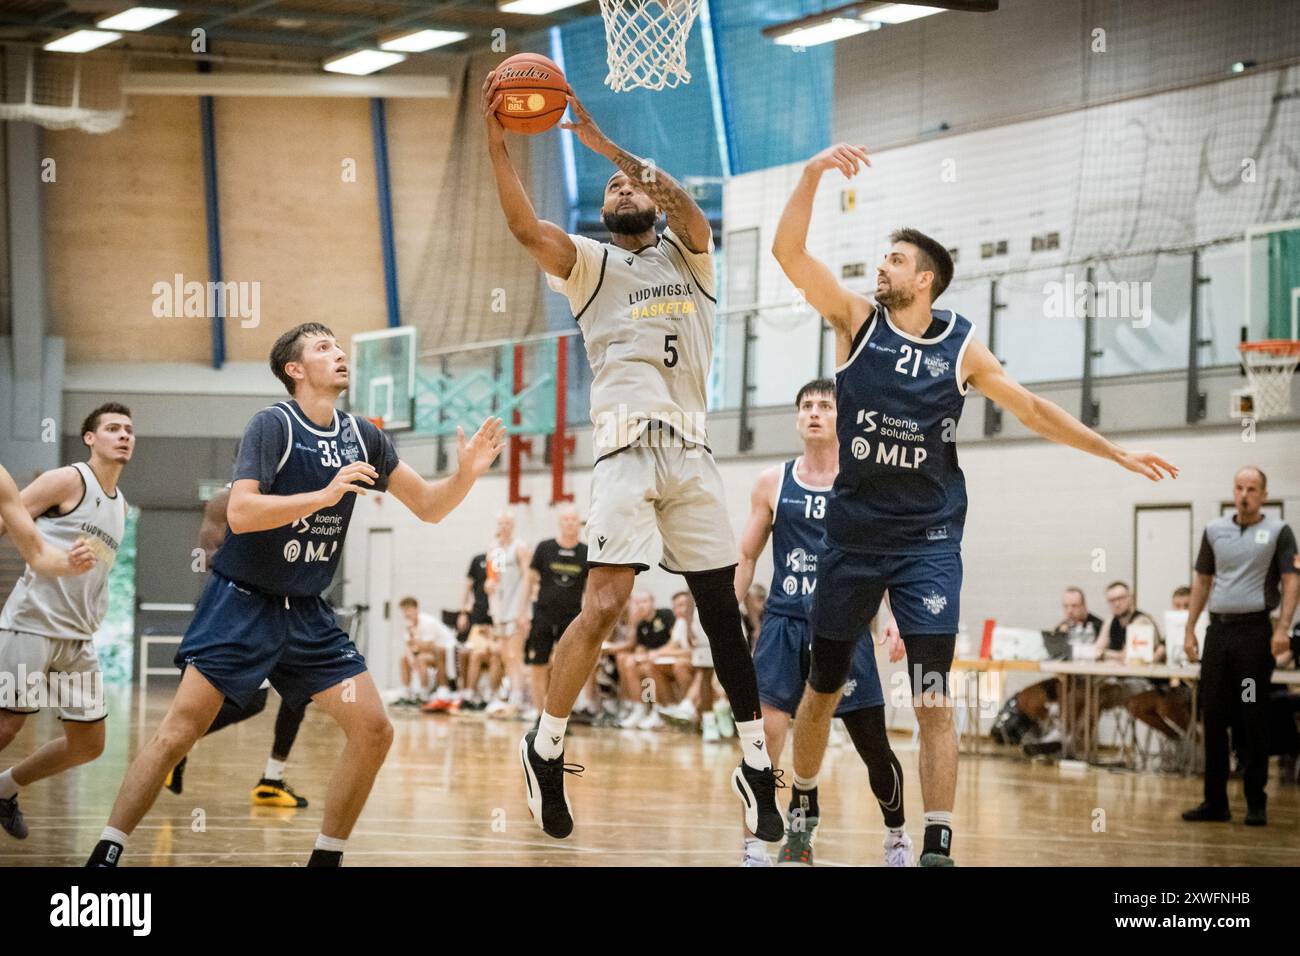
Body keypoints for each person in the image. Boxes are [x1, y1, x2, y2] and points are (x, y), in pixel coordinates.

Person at [772, 142, 1178, 865]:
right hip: (853, 540)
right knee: (823, 687)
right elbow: (788, 253)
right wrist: (809, 176)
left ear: (924, 280)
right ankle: (802, 795)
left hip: (927, 544)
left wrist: (1112, 450)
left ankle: (937, 844)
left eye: (894, 260)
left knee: (931, 693)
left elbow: (1031, 409)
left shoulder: (961, 347)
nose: (881, 268)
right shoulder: (854, 321)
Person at [484, 73, 782, 842]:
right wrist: (497, 141)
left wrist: (600, 142)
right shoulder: (589, 264)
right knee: (606, 603)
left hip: (692, 453)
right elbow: (524, 229)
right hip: (625, 451)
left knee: (724, 615)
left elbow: (683, 201)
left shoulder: (693, 257)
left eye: (630, 182)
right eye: (610, 187)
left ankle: (755, 768)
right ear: (604, 214)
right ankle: (545, 748)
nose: (621, 188)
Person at [85, 323, 505, 867]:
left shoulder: (364, 436)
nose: (339, 354)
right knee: (178, 734)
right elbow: (241, 512)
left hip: (306, 613)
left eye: (337, 345)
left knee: (374, 730)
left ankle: (325, 860)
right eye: (323, 347)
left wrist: (466, 476)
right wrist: (325, 494)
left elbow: (429, 507)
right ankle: (107, 853)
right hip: (242, 602)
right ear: (295, 369)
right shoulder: (273, 425)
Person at [734, 379, 913, 868]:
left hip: (845, 628)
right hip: (784, 623)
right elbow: (746, 556)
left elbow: (888, 556)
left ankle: (897, 837)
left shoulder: (862, 483)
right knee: (766, 736)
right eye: (807, 406)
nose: (815, 413)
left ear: (842, 418)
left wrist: (895, 619)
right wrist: (726, 618)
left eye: (825, 406)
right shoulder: (772, 482)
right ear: (797, 420)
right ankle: (754, 845)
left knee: (873, 747)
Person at [0, 404, 133, 840]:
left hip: (78, 638)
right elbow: (9, 519)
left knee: (88, 744)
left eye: (129, 430)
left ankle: (4, 789)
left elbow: (96, 573)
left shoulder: (121, 506)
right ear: (90, 439)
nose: (124, 435)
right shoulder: (68, 479)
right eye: (112, 428)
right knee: (6, 725)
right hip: (33, 623)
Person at [162, 486, 313, 808]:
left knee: (300, 690)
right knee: (249, 702)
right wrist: (260, 555)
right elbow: (204, 558)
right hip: (238, 610)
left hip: (285, 606)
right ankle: (173, 746)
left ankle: (272, 780)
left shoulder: (296, 491)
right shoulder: (224, 501)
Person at [1182, 466, 1298, 826]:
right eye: (1239, 487)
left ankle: (1255, 801)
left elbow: (1291, 581)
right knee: (1213, 716)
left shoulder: (1278, 531)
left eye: (1252, 488)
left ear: (1263, 494)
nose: (1244, 494)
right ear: (1232, 492)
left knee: (1251, 713)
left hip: (1253, 635)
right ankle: (1214, 801)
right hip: (1219, 635)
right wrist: (1190, 629)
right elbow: (1202, 581)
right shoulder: (1215, 531)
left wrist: (1282, 628)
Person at [519, 506, 588, 723]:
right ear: (560, 522)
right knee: (538, 664)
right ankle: (540, 714)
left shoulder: (587, 552)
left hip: (573, 618)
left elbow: (590, 588)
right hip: (543, 614)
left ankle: (559, 717)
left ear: (579, 524)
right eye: (566, 519)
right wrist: (521, 612)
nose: (570, 523)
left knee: (567, 666)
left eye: (574, 519)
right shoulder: (544, 548)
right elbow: (529, 581)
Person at [484, 511, 530, 719]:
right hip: (499, 608)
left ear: (513, 526)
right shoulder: (494, 549)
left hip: (516, 608)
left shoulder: (519, 548)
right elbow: (494, 576)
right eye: (501, 523)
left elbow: (529, 578)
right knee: (504, 655)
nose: (504, 527)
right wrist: (489, 584)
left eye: (508, 523)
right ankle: (511, 692)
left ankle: (519, 697)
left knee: (515, 654)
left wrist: (523, 610)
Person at [457, 552, 496, 710]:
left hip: (497, 621)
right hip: (478, 620)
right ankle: (468, 694)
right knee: (467, 653)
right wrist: (463, 612)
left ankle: (490, 695)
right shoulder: (478, 560)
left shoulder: (504, 561)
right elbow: (468, 585)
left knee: (487, 655)